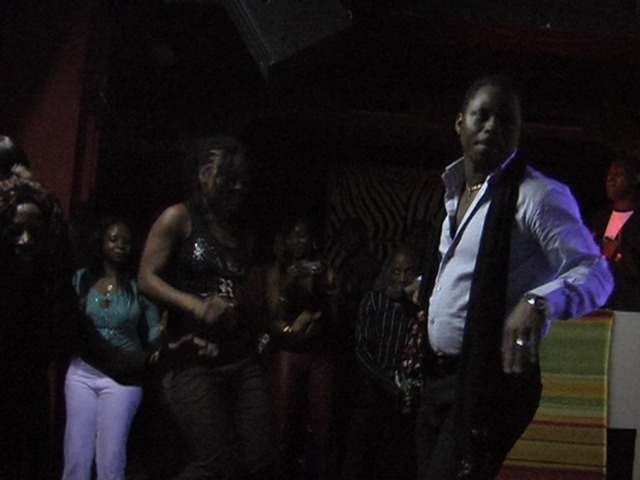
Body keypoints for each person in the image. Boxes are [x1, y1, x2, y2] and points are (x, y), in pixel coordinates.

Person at [415, 75, 613, 479]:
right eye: (482, 115)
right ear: (460, 123)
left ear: (519, 131)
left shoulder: (537, 195)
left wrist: (538, 302)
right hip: (438, 377)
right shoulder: (454, 190)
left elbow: (596, 273)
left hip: (488, 383)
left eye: (505, 120)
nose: (492, 126)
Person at [137, 135, 279, 480]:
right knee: (217, 462)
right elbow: (146, 278)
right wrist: (195, 306)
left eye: (243, 180)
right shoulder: (179, 217)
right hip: (193, 359)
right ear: (204, 175)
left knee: (262, 458)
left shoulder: (242, 229)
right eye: (229, 179)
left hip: (241, 356)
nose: (239, 187)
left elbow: (254, 289)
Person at [62, 217, 162, 480]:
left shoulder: (138, 286)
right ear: (102, 243)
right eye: (113, 239)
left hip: (123, 376)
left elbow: (153, 330)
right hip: (83, 371)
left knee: (111, 458)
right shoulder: (82, 279)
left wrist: (161, 342)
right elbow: (65, 320)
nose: (120, 245)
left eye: (126, 241)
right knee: (76, 454)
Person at [265, 216, 339, 480]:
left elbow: (335, 311)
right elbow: (273, 315)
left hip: (320, 352)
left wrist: (329, 285)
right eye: (292, 236)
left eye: (302, 235)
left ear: (311, 238)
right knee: (284, 426)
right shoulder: (277, 270)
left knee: (323, 426)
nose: (297, 241)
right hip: (289, 351)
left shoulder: (322, 267)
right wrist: (287, 284)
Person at [342, 245, 421, 480]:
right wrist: (385, 379)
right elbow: (361, 349)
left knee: (398, 458)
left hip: (407, 393)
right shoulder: (374, 301)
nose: (402, 278)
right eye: (396, 271)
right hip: (373, 389)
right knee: (361, 454)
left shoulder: (420, 307)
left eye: (408, 271)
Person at [591, 152, 640, 311]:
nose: (610, 180)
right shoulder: (601, 217)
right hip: (600, 302)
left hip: (630, 306)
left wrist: (617, 253)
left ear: (635, 179)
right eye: (609, 175)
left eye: (617, 174)